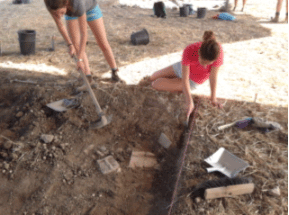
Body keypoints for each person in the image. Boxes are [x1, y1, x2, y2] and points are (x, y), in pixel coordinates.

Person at [44, 0, 121, 92]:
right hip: (71, 12)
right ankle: (88, 79)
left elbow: (84, 35)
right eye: (56, 14)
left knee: (102, 42)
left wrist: (79, 59)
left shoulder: (77, 3)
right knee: (76, 46)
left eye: (61, 13)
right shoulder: (51, 4)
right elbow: (60, 25)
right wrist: (70, 45)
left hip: (90, 8)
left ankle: (114, 72)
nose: (59, 16)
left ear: (66, 3)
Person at [149, 31, 224, 119]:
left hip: (193, 80)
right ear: (198, 52)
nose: (205, 66)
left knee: (155, 84)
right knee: (152, 77)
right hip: (182, 69)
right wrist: (189, 100)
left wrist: (213, 98)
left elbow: (213, 77)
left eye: (208, 64)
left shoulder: (217, 53)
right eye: (203, 62)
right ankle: (177, 87)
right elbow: (185, 77)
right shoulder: (190, 49)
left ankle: (177, 87)